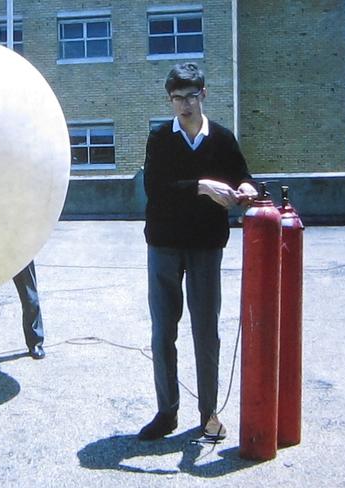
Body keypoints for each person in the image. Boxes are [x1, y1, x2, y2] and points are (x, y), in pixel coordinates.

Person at [138, 63, 257, 441]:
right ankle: (166, 412)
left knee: (206, 332)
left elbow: (243, 175)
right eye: (177, 98)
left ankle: (209, 413)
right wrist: (203, 186)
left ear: (203, 94)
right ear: (169, 99)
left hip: (206, 246)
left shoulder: (222, 139)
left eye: (190, 96)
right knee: (163, 332)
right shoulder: (159, 139)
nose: (184, 105)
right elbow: (156, 189)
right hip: (164, 245)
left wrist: (248, 189)